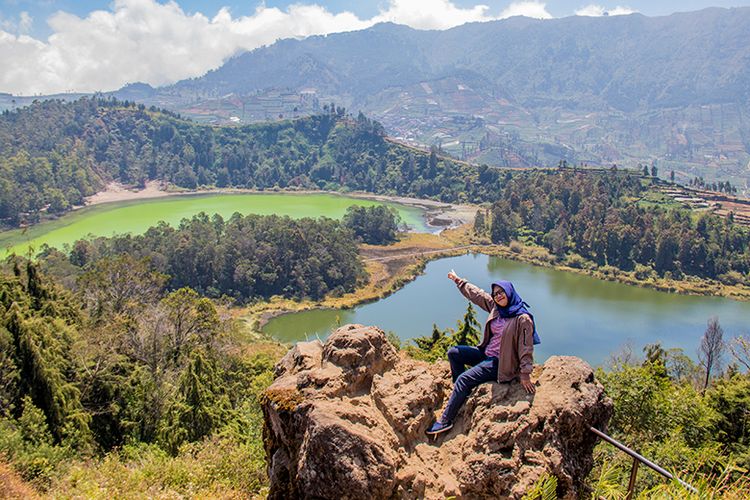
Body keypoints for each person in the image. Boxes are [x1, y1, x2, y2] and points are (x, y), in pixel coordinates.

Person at [426, 270, 539, 436]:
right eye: (496, 294)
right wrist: (459, 281)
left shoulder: (522, 318)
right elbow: (477, 295)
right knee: (454, 353)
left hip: (501, 363)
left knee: (464, 379)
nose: (498, 296)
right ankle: (461, 393)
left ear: (510, 292)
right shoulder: (496, 308)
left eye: (502, 293)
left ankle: (445, 421)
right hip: (486, 353)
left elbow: (526, 346)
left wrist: (525, 373)